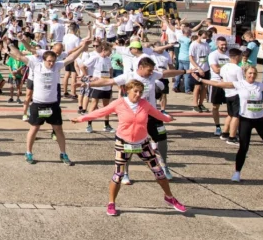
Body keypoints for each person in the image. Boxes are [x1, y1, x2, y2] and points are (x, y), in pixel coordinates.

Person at [72, 80, 186, 216]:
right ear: (128, 91)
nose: (138, 95)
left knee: (159, 171)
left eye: (140, 92)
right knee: (118, 175)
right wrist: (81, 119)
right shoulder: (119, 103)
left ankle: (169, 197)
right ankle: (111, 203)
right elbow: (100, 112)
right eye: (135, 91)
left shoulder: (144, 104)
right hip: (123, 142)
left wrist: (168, 119)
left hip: (142, 143)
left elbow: (157, 114)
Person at [194, 66, 263, 182]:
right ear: (245, 74)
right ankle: (237, 173)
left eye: (254, 73)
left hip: (260, 120)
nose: (252, 76)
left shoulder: (260, 86)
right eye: (250, 73)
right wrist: (200, 80)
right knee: (243, 147)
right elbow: (218, 84)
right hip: (245, 120)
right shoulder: (239, 84)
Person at [12, 36, 90, 165]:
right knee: (34, 129)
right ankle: (29, 153)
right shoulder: (35, 65)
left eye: (53, 61)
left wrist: (82, 46)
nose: (51, 63)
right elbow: (20, 56)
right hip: (38, 104)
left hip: (53, 105)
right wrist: (10, 44)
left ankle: (63, 153)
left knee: (58, 129)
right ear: (44, 60)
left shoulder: (57, 66)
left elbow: (71, 58)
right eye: (49, 61)